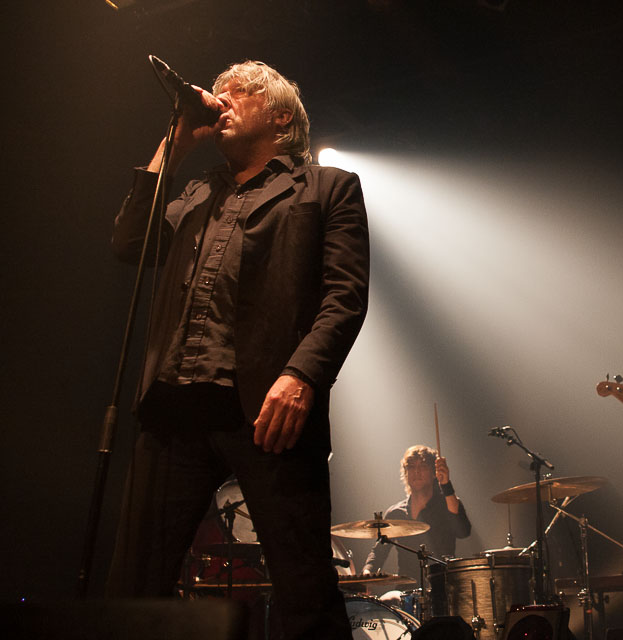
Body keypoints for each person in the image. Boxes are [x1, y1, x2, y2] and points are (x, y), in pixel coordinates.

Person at [106, 60, 369, 640]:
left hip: (268, 410)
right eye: (218, 92)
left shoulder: (327, 187)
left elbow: (344, 298)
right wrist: (176, 143)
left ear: (280, 117)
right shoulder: (198, 192)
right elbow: (130, 241)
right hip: (174, 408)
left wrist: (302, 375)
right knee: (132, 587)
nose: (220, 100)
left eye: (239, 93)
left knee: (305, 590)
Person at [362, 445, 471, 581]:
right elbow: (379, 552)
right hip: (406, 587)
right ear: (405, 473)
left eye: (423, 466)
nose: (416, 471)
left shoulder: (448, 504)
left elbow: (463, 532)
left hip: (443, 585)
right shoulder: (396, 513)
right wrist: (367, 572)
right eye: (411, 467)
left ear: (434, 472)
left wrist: (446, 485)